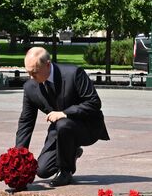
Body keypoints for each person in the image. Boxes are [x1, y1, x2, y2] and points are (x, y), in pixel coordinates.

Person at [17, 47, 110, 187]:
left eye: (34, 72)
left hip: (87, 126)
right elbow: (26, 121)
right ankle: (72, 152)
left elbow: (94, 103)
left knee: (63, 124)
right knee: (42, 170)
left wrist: (65, 113)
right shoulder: (30, 87)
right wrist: (19, 156)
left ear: (47, 64)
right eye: (28, 72)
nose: (31, 77)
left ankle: (66, 171)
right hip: (60, 131)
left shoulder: (74, 74)